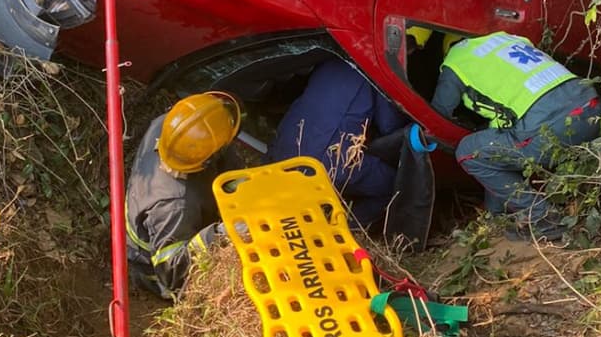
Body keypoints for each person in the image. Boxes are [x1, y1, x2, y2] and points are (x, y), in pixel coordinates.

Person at [430, 32, 601, 239]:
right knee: (495, 144)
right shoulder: (505, 39)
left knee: (468, 152)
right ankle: (499, 217)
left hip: (554, 125)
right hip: (593, 107)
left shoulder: (456, 62)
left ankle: (545, 221)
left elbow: (436, 116)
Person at [267, 58, 411, 231]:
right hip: (328, 161)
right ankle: (342, 227)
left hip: (283, 146)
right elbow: (390, 126)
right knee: (394, 186)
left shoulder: (330, 60)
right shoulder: (378, 74)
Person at [126, 92, 241, 298]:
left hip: (153, 217)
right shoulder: (176, 205)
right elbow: (172, 273)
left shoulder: (166, 126)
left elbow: (226, 162)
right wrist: (222, 233)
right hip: (153, 270)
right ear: (206, 159)